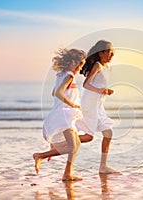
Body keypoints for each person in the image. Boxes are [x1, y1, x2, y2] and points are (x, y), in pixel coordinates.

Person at [33, 48, 93, 181]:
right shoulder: (69, 76)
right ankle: (63, 172)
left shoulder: (61, 75)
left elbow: (54, 92)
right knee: (74, 145)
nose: (81, 67)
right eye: (80, 64)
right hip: (66, 114)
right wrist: (72, 104)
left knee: (87, 137)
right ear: (73, 63)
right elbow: (59, 93)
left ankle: (45, 156)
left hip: (64, 114)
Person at [79, 40, 120, 174]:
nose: (111, 54)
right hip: (90, 104)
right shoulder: (97, 65)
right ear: (101, 53)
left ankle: (103, 166)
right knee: (89, 136)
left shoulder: (107, 67)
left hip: (98, 105)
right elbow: (86, 84)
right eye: (109, 51)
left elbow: (99, 85)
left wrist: (105, 90)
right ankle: (63, 141)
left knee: (108, 133)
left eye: (112, 51)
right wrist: (101, 90)